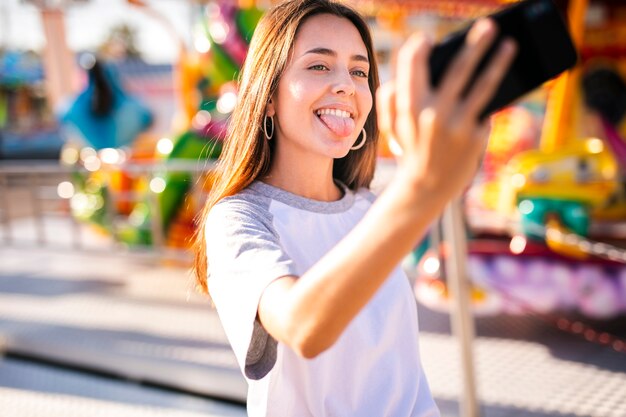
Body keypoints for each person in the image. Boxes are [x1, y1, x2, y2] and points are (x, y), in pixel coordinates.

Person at [193, 0, 516, 415]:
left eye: (359, 71)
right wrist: (421, 185)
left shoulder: (369, 206)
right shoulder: (238, 218)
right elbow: (302, 326)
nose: (346, 84)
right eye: (319, 66)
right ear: (268, 96)